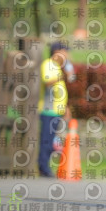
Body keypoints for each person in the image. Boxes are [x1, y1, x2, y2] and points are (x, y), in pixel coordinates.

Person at [37, 41, 73, 177]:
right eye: (65, 51)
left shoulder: (57, 68)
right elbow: (48, 82)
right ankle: (43, 168)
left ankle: (45, 167)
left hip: (56, 110)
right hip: (48, 109)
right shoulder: (48, 65)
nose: (67, 55)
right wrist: (63, 75)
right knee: (47, 140)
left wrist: (65, 108)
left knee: (52, 141)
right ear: (57, 51)